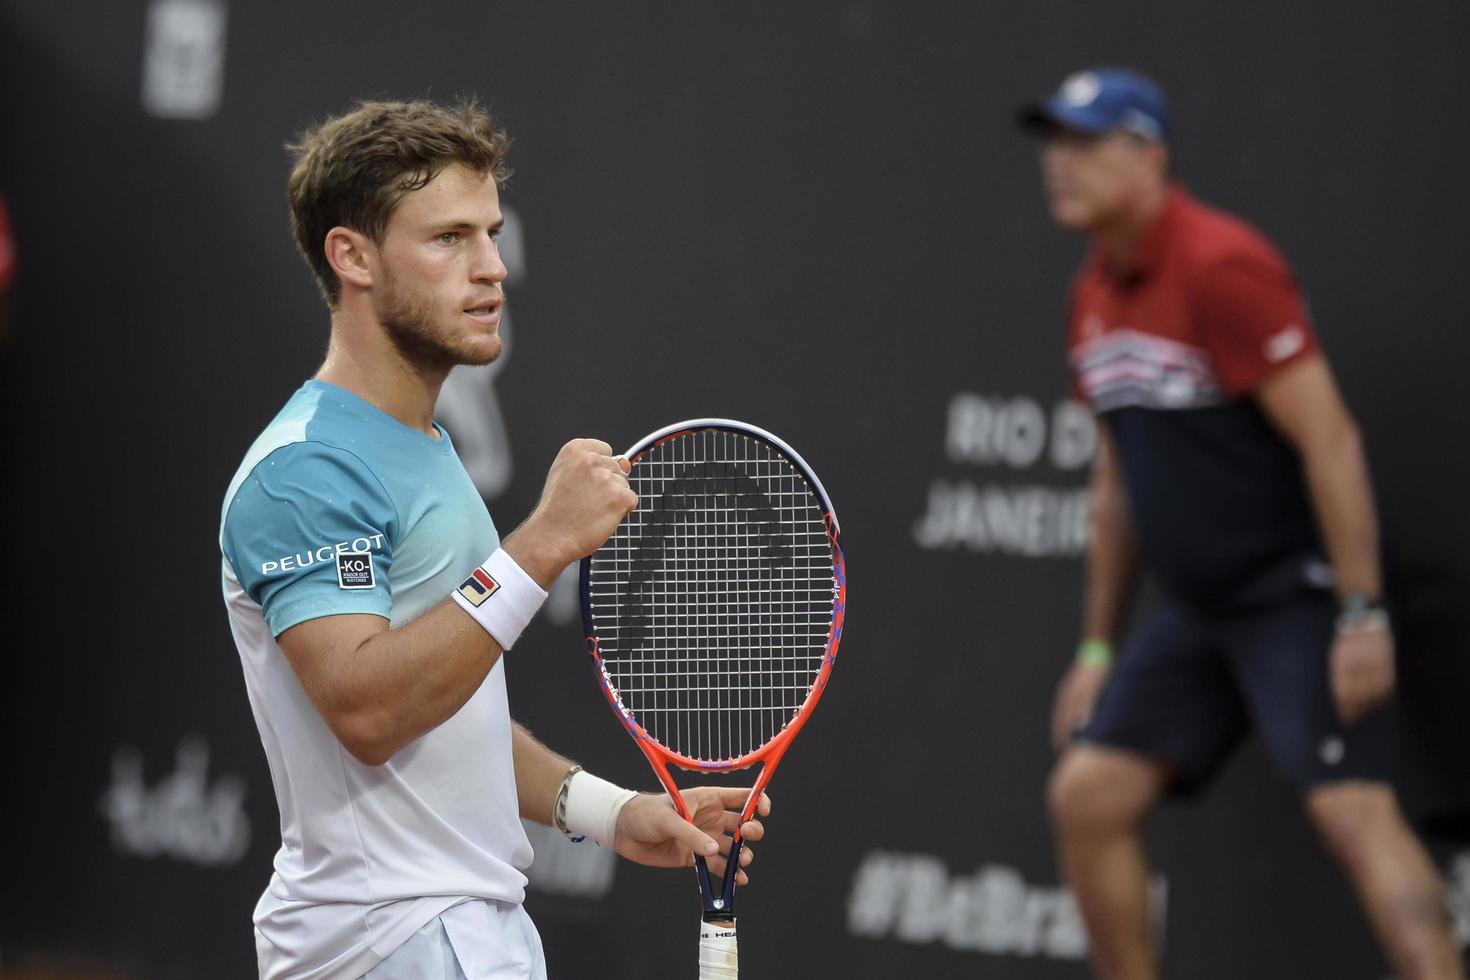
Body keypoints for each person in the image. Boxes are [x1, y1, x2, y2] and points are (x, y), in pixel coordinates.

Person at [219, 99, 770, 980]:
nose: (493, 267)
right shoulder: (306, 471)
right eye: (449, 239)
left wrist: (610, 812)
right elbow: (369, 711)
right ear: (352, 256)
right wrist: (541, 545)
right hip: (390, 940)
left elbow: (447, 719)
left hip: (453, 933)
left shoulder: (419, 446)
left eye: (492, 233)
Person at [1020, 69, 1464, 979]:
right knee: (1087, 796)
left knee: (1353, 814)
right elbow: (1116, 487)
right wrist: (1097, 651)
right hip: (1198, 611)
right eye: (1052, 145)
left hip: (1293, 598)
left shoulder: (1222, 265)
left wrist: (1361, 610)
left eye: (1084, 144)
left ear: (1149, 156)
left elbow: (1332, 441)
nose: (1058, 167)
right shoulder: (1090, 296)